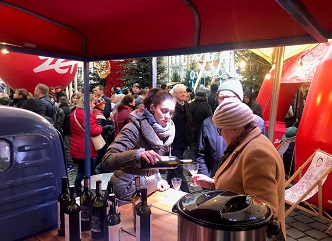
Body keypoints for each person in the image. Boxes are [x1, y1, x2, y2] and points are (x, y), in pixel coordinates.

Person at [193, 98, 286, 239]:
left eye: (220, 129)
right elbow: (241, 185)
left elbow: (262, 211)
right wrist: (214, 183)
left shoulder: (256, 152)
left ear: (236, 128)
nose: (219, 134)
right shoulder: (247, 142)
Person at [102, 88, 175, 201]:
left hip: (147, 190)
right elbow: (107, 160)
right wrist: (137, 155)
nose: (168, 117)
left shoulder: (163, 132)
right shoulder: (133, 128)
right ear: (152, 108)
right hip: (126, 192)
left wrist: (158, 179)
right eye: (164, 111)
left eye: (171, 113)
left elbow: (153, 163)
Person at [70, 94, 103, 196]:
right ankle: (80, 192)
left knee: (86, 169)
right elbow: (93, 131)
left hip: (77, 144)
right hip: (85, 147)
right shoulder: (87, 114)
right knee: (82, 171)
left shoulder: (75, 112)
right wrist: (101, 127)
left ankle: (89, 189)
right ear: (88, 103)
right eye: (93, 103)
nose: (94, 105)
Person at [167, 84, 193, 193]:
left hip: (184, 141)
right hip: (174, 142)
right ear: (174, 94)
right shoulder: (171, 106)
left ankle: (167, 185)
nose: (184, 94)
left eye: (185, 92)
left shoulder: (186, 105)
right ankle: (186, 193)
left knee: (173, 168)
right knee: (178, 167)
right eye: (181, 92)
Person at [189, 89, 212, 160]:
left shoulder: (189, 105)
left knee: (192, 149)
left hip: (191, 131)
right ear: (205, 96)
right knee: (201, 150)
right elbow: (210, 121)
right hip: (202, 132)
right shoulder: (207, 107)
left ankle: (192, 166)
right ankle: (199, 167)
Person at [58, 96, 73, 171]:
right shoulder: (68, 109)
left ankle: (69, 165)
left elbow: (60, 121)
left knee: (67, 148)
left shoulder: (62, 110)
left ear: (60, 102)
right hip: (69, 130)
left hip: (66, 131)